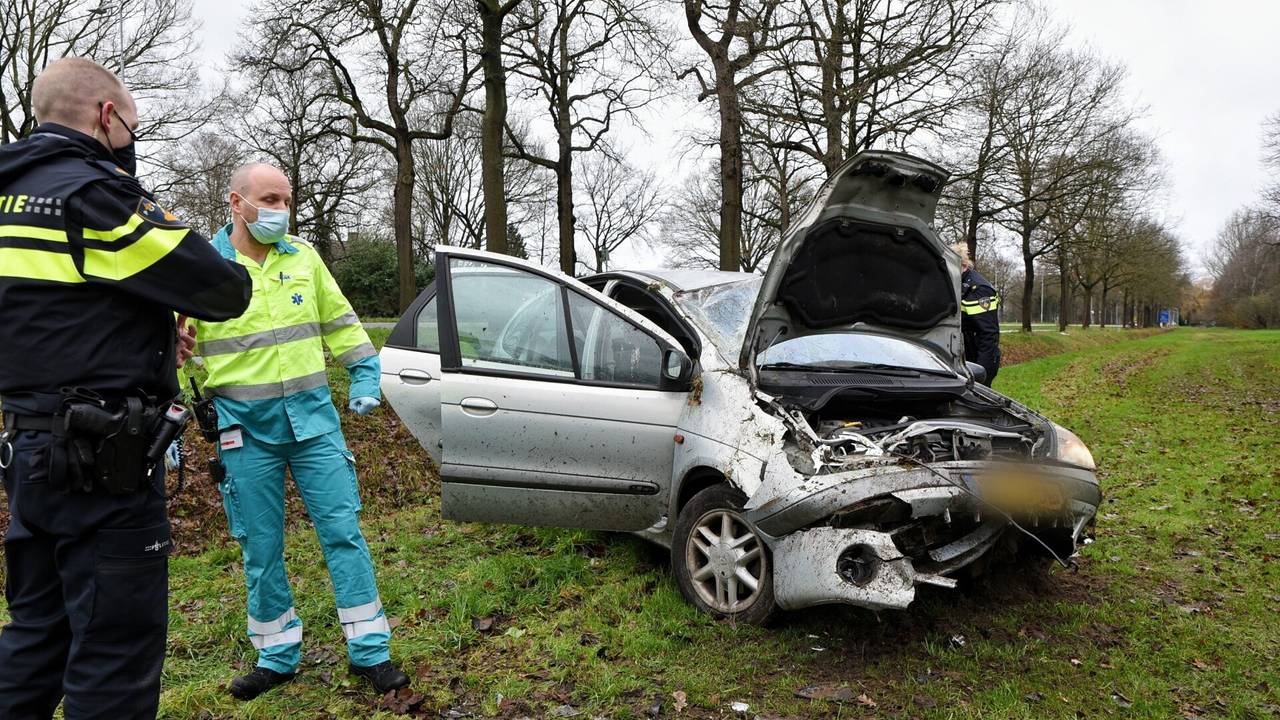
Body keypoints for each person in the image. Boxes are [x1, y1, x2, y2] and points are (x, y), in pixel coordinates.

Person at [0, 58, 252, 719]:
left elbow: (48, 314)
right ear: (107, 117)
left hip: (29, 457)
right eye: (131, 125)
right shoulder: (95, 196)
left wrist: (145, 329)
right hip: (103, 468)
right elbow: (222, 288)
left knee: (34, 643)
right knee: (114, 663)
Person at [184, 163, 409, 699]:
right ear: (236, 202)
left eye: (286, 199)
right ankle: (277, 655)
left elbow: (341, 321)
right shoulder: (203, 269)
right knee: (260, 546)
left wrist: (363, 373)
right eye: (270, 198)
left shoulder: (304, 258)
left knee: (343, 533)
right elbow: (176, 349)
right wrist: (167, 420)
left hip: (314, 423)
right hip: (243, 430)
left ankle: (370, 652)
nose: (280, 210)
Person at [952, 242, 1002, 385]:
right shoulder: (956, 284)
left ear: (964, 266)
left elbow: (988, 334)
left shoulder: (979, 290)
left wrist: (981, 372)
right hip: (964, 354)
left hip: (978, 356)